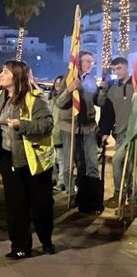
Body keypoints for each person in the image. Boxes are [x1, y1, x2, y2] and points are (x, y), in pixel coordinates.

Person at [0, 60, 55, 259]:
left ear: (16, 77)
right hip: (8, 158)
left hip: (34, 160)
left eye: (5, 72)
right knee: (15, 204)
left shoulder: (35, 97)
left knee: (40, 204)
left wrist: (22, 125)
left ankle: (45, 239)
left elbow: (47, 125)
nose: (0, 74)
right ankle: (20, 246)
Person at [55, 51, 99, 191]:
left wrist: (103, 90)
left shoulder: (92, 80)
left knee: (89, 162)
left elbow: (99, 101)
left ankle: (89, 193)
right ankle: (70, 191)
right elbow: (59, 103)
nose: (90, 64)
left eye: (92, 61)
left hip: (88, 127)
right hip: (70, 126)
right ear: (78, 63)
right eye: (87, 61)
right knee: (69, 162)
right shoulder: (68, 78)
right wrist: (69, 90)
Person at [97, 57, 134, 207]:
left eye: (119, 68)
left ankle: (122, 194)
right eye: (114, 69)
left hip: (133, 134)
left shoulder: (135, 85)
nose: (116, 72)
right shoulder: (113, 88)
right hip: (119, 133)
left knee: (119, 161)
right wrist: (105, 131)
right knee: (127, 166)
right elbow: (107, 112)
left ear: (126, 68)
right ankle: (128, 196)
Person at [49, 75, 66, 192]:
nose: (57, 85)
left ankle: (62, 182)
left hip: (60, 134)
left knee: (61, 159)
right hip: (50, 134)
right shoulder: (49, 99)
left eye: (60, 83)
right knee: (52, 160)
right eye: (56, 83)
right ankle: (53, 179)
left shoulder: (64, 101)